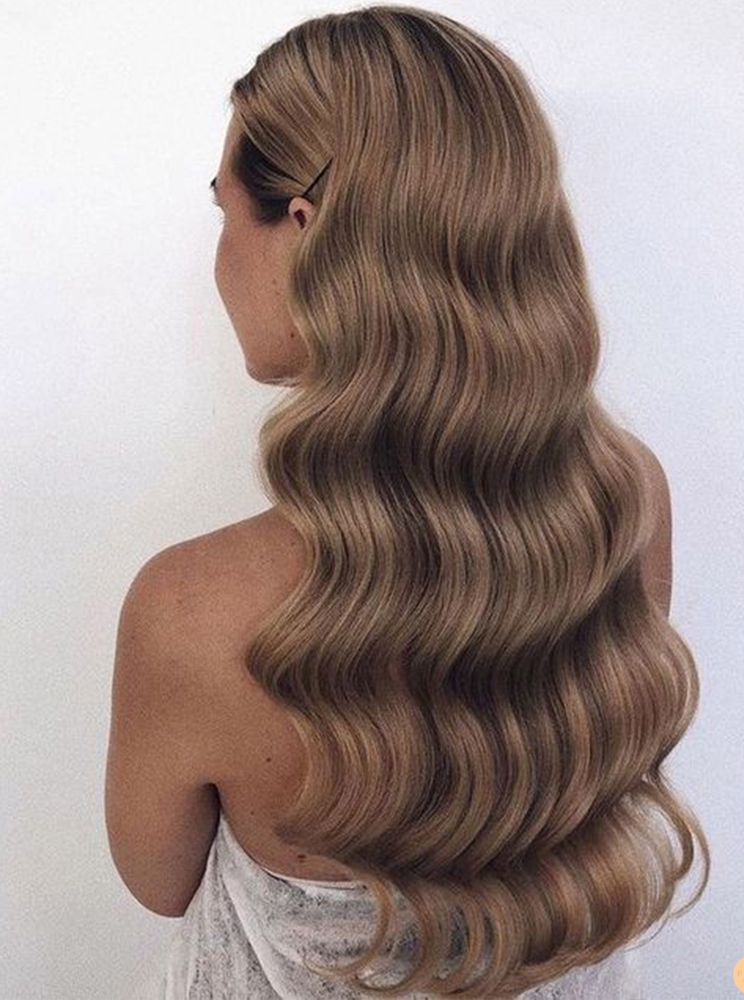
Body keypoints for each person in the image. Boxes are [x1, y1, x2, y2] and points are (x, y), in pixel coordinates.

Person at [107, 6, 709, 998]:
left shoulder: (190, 608)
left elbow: (159, 879)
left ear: (302, 230)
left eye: (226, 212)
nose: (219, 255)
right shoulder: (622, 501)